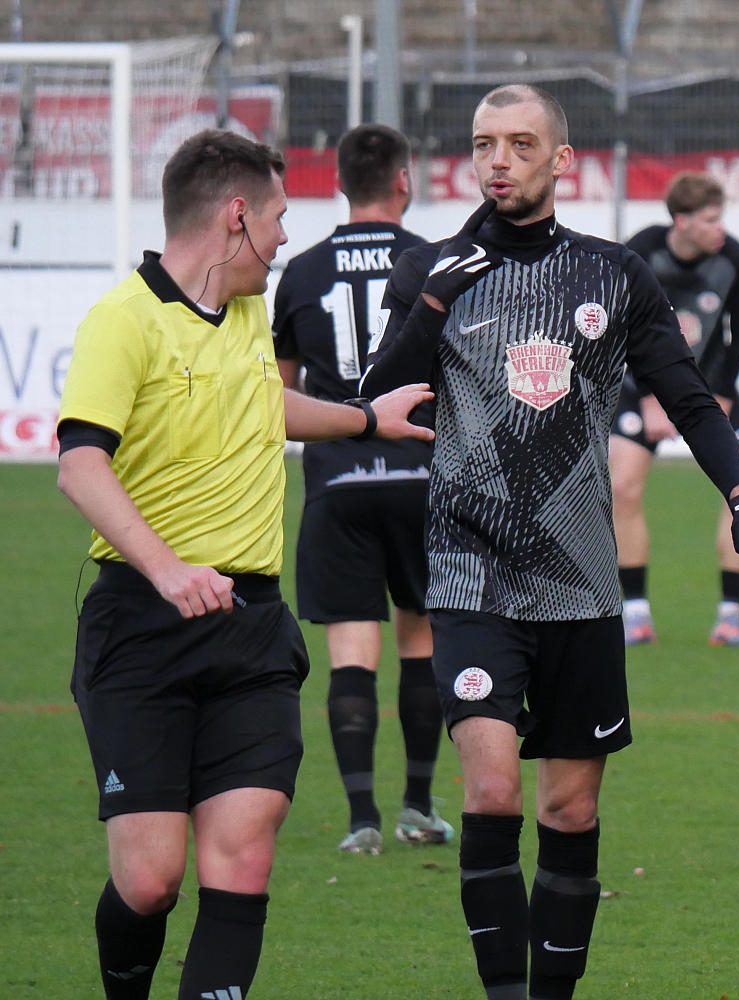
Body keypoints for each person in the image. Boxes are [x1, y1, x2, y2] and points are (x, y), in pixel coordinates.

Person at [358, 84, 739, 1000]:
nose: (498, 160)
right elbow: (376, 404)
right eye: (484, 145)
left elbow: (684, 391)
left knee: (569, 805)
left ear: (563, 161)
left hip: (580, 581)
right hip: (471, 572)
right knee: (493, 793)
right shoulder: (436, 268)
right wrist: (430, 308)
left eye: (519, 144)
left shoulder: (611, 273)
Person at [56, 129, 433, 1000]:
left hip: (251, 629)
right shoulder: (124, 319)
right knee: (151, 880)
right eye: (278, 216)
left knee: (245, 854)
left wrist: (366, 419)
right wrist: (167, 570)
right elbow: (80, 462)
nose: (287, 235)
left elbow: (263, 403)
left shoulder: (249, 308)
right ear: (237, 218)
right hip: (142, 627)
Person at [272, 123, 452, 855]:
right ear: (404, 179)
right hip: (424, 475)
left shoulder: (302, 272)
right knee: (421, 639)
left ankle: (360, 821)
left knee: (353, 652)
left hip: (340, 482)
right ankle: (417, 807)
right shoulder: (437, 264)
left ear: (341, 182)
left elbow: (278, 399)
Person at [608, 171, 739, 646]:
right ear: (682, 220)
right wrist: (653, 395)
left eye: (722, 218)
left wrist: (718, 391)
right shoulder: (641, 253)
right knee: (623, 488)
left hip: (710, 387)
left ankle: (730, 617)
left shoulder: (734, 259)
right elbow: (620, 328)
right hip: (640, 386)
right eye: (711, 219)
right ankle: (635, 615)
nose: (721, 228)